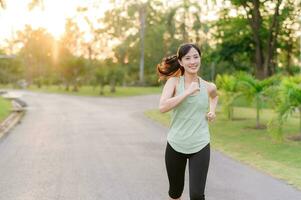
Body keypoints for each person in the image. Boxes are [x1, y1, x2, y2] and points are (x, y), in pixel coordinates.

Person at [157, 43, 218, 200]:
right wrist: (187, 92)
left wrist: (212, 110)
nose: (193, 61)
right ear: (181, 61)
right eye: (188, 58)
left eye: (196, 57)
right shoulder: (174, 83)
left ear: (200, 59)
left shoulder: (208, 86)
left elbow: (214, 96)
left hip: (200, 144)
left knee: (197, 195)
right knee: (175, 192)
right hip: (176, 144)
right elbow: (162, 107)